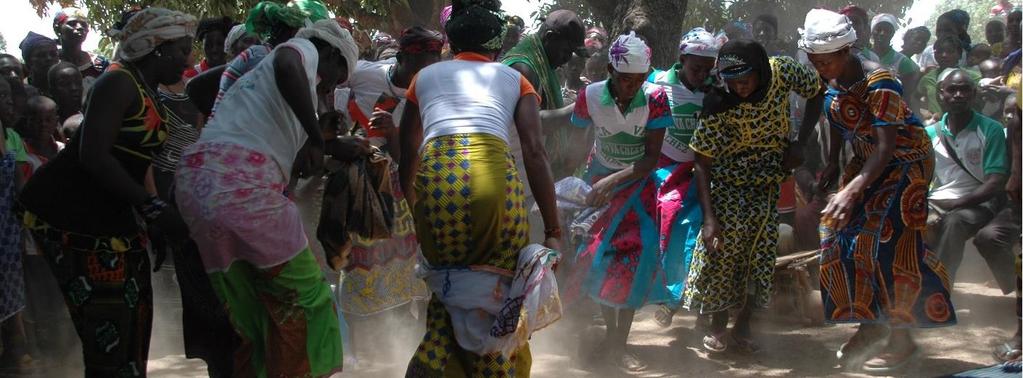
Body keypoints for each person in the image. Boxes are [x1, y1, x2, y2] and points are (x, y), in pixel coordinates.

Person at [16, 8, 196, 376]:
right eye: (180, 50)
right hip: (75, 218)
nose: (188, 59)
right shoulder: (118, 82)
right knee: (109, 330)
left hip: (112, 219)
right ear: (156, 48)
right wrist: (152, 207)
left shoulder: (146, 88)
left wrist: (152, 216)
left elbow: (138, 159)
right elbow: (93, 155)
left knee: (133, 319)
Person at [175, 18, 356, 377]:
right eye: (340, 74)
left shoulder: (256, 88)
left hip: (196, 186)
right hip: (243, 189)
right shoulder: (302, 50)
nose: (334, 83)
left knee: (253, 316)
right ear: (332, 54)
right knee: (310, 302)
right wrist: (317, 138)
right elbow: (289, 63)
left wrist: (316, 139)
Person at [398, 0, 561, 375]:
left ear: (451, 44)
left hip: (437, 186)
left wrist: (416, 213)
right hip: (494, 187)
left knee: (448, 293)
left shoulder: (423, 79)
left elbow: (408, 156)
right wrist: (553, 231)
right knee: (497, 300)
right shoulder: (513, 78)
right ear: (497, 47)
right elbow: (535, 153)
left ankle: (432, 362)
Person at [798, 9, 956, 372]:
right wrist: (835, 162)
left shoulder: (880, 80)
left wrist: (853, 189)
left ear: (847, 51)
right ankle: (869, 326)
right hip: (867, 163)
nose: (821, 67)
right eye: (815, 61)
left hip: (906, 163)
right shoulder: (831, 79)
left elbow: (887, 147)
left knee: (890, 243)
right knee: (836, 237)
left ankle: (903, 339)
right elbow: (837, 117)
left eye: (827, 60)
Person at [683, 37, 824, 354]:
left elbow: (817, 93)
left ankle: (743, 327)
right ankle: (718, 328)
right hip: (728, 187)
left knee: (759, 259)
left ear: (761, 71)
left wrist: (800, 143)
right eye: (732, 82)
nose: (740, 89)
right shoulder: (718, 103)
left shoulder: (783, 71)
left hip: (767, 186)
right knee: (723, 257)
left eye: (745, 80)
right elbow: (702, 164)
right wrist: (709, 219)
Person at [564, 32, 670, 371]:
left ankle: (618, 344)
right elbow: (578, 145)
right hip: (598, 190)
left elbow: (650, 160)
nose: (633, 87)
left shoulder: (655, 98)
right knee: (599, 262)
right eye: (626, 80)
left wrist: (612, 180)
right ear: (611, 70)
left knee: (631, 264)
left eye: (640, 80)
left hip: (636, 192)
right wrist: (570, 186)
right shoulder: (589, 96)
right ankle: (609, 337)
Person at [332, 25, 440, 344]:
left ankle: (399, 345)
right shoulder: (365, 74)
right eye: (423, 67)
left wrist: (392, 135)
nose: (428, 76)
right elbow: (327, 90)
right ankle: (362, 348)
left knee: (402, 274)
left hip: (399, 195)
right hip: (356, 190)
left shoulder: (429, 94)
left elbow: (409, 159)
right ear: (404, 57)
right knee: (357, 271)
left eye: (434, 67)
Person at [645, 27, 724, 329]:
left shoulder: (716, 91)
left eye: (707, 69)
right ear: (682, 59)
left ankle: (674, 300)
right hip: (660, 171)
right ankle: (654, 292)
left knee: (690, 234)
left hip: (698, 175)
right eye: (695, 68)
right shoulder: (656, 84)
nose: (701, 75)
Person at [925, 69, 1016, 294]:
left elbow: (995, 181)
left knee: (954, 222)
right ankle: (906, 290)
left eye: (964, 89)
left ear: (974, 94)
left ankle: (939, 293)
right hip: (939, 199)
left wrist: (956, 204)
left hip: (981, 202)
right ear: (941, 95)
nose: (958, 95)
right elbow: (923, 178)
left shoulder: (990, 129)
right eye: (952, 90)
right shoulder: (929, 133)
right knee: (905, 221)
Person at [503, 9, 587, 179]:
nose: (567, 58)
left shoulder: (541, 65)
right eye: (566, 50)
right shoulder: (524, 69)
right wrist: (582, 105)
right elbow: (536, 124)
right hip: (515, 173)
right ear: (549, 37)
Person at [918, 36, 981, 122]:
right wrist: (922, 112)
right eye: (939, 52)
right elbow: (916, 97)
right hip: (936, 125)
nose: (944, 55)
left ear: (959, 54)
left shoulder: (973, 77)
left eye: (950, 52)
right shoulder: (928, 78)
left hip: (967, 124)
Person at [52, 7, 109, 92]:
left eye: (84, 24)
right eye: (72, 23)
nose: (80, 27)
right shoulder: (49, 62)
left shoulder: (100, 64)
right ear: (57, 29)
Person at [871, 14, 920, 101]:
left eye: (887, 30)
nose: (882, 33)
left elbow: (907, 94)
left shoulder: (903, 61)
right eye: (878, 29)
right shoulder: (862, 55)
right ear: (872, 31)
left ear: (893, 33)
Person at [16, 96, 62, 173]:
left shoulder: (62, 149)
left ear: (56, 122)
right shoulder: (21, 155)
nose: (43, 124)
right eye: (37, 120)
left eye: (48, 120)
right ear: (26, 122)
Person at [46, 62, 83, 127]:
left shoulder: (92, 115)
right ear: (52, 91)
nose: (74, 88)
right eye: (65, 84)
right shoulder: (47, 125)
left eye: (78, 82)